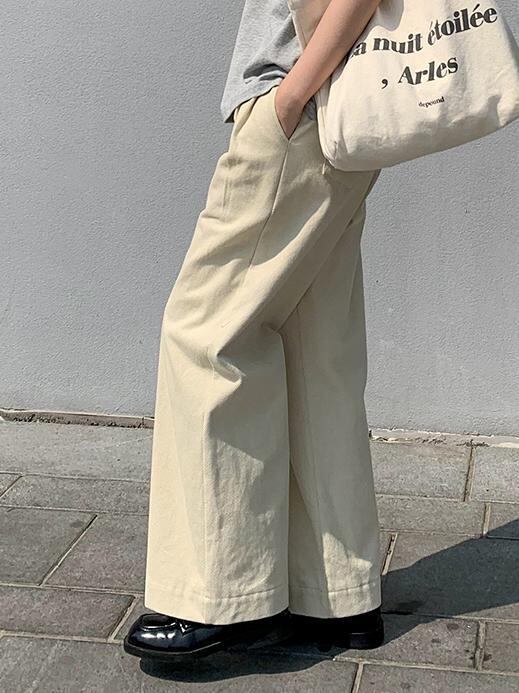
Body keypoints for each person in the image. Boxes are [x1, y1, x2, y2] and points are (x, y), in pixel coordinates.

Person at [124, 0, 384, 663]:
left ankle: (224, 596)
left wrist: (291, 96)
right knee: (316, 352)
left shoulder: (295, 97)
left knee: (204, 336)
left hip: (299, 106)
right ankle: (339, 597)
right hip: (338, 114)